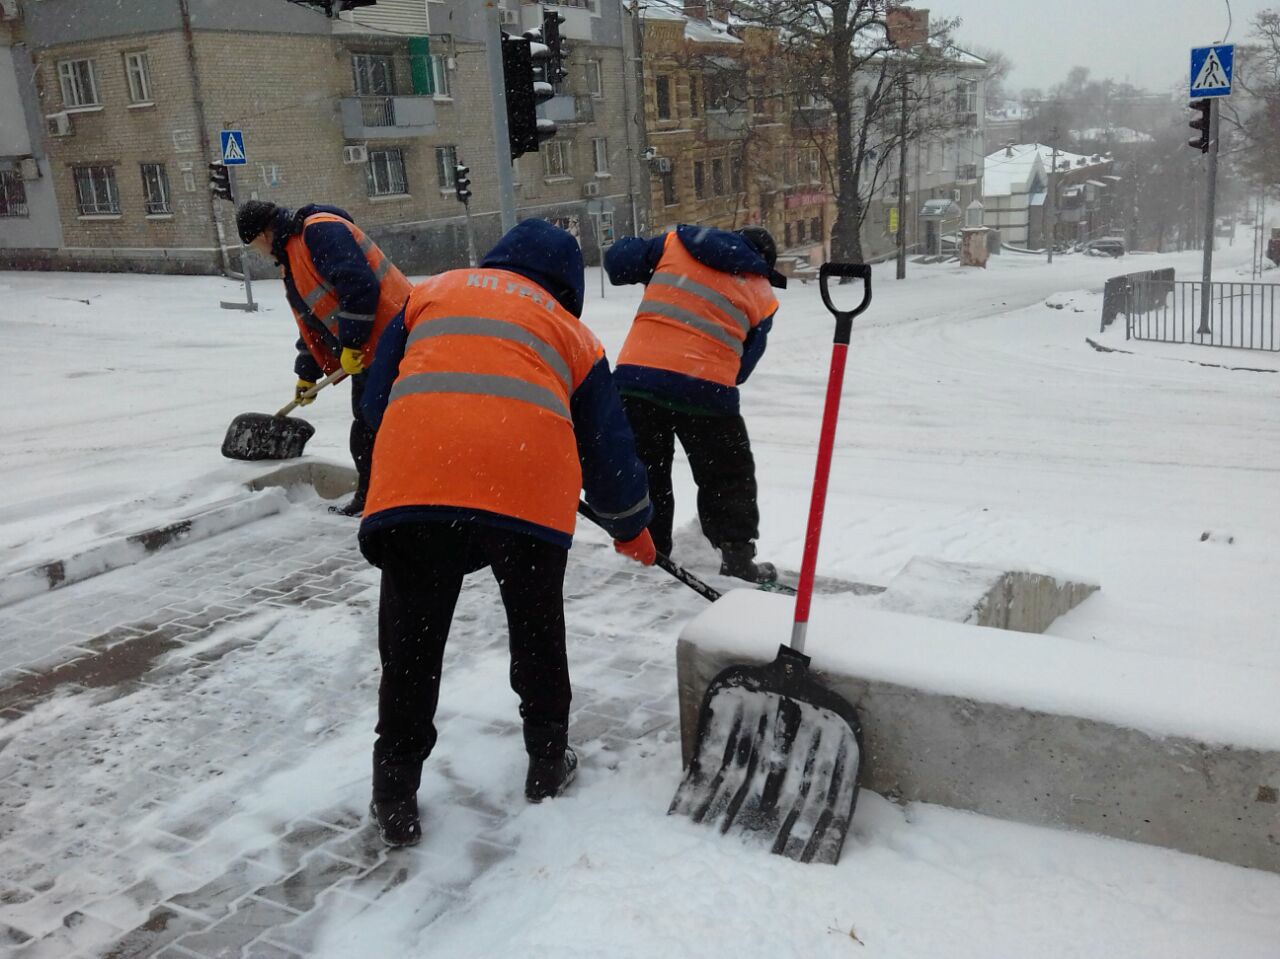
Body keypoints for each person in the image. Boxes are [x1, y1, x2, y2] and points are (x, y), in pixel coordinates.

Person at [357, 219, 655, 848]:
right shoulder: (572, 332)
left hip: (418, 483)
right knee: (537, 627)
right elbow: (608, 449)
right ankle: (547, 762)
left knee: (410, 646)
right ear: (566, 284)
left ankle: (395, 791)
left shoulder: (431, 294)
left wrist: (424, 446)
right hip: (525, 492)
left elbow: (374, 400)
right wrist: (631, 526)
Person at [604, 224, 786, 583]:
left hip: (638, 379)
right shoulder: (764, 295)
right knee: (727, 474)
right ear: (764, 263)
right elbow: (742, 369)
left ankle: (650, 551)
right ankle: (736, 556)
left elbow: (617, 264)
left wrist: (642, 256)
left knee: (647, 468)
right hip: (707, 390)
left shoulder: (676, 245)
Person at [236, 200, 411, 516]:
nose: (258, 252)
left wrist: (351, 343)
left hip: (396, 339)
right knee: (370, 423)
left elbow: (359, 286)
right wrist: (307, 372)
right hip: (370, 348)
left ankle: (394, 499)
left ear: (262, 234)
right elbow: (313, 320)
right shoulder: (292, 256)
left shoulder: (318, 232)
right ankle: (374, 498)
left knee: (380, 422)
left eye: (253, 245)